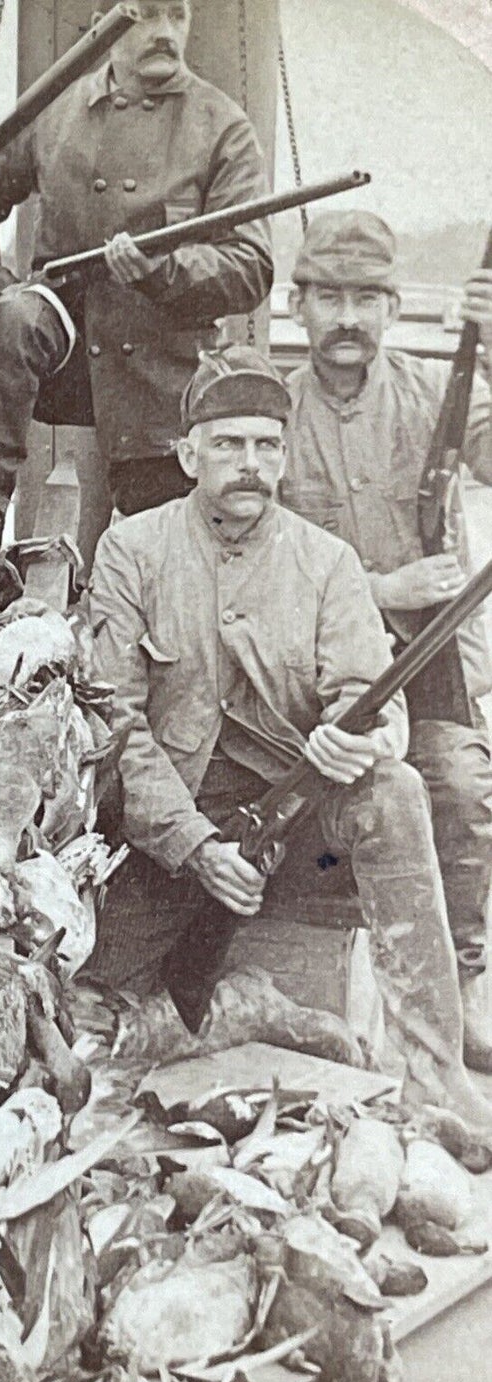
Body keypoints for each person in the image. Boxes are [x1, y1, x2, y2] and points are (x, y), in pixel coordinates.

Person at [85, 346, 492, 1134]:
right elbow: (116, 725)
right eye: (229, 444)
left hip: (298, 821)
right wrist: (198, 845)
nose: (250, 464)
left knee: (395, 789)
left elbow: (373, 697)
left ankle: (432, 1076)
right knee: (111, 1025)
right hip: (170, 830)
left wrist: (364, 746)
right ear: (187, 453)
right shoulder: (130, 551)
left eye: (267, 445)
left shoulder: (326, 561)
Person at [0, 0, 273, 570]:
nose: (165, 33)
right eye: (147, 15)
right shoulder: (55, 108)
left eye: (177, 15)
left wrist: (164, 272)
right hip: (60, 351)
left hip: (160, 369)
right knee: (15, 316)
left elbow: (251, 263)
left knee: (166, 560)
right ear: (105, 21)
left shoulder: (223, 127)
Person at [281, 210, 492, 1069]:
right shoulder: (270, 409)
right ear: (296, 305)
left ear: (392, 306)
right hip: (308, 670)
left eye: (365, 297)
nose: (346, 317)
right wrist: (376, 588)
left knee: (463, 788)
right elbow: (258, 558)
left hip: (427, 657)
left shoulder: (437, 395)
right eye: (327, 295)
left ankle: (463, 989)